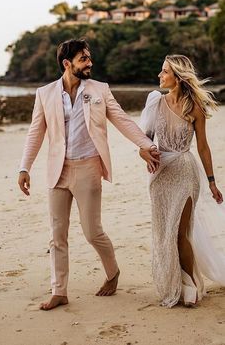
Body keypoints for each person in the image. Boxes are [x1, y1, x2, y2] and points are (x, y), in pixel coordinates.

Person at [18, 39, 160, 311]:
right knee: (57, 234)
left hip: (88, 168)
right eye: (84, 59)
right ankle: (59, 291)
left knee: (92, 232)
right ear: (67, 63)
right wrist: (24, 167)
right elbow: (36, 132)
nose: (90, 63)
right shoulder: (45, 94)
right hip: (57, 171)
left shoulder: (99, 90)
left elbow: (122, 120)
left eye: (89, 58)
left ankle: (112, 271)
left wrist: (147, 145)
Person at [139, 54, 225, 308]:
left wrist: (211, 181)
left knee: (179, 232)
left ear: (177, 76)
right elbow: (145, 140)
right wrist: (145, 153)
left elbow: (203, 147)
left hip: (186, 173)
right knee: (165, 233)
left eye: (164, 71)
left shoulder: (194, 107)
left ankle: (190, 286)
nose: (159, 75)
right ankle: (176, 283)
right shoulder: (155, 102)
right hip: (160, 176)